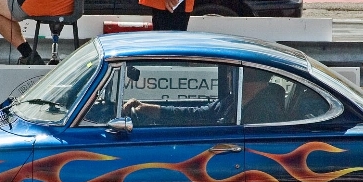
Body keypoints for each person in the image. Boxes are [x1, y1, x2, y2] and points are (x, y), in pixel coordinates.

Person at [122, 67, 285, 125]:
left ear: (246, 76)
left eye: (231, 74)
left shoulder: (265, 110)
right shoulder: (232, 101)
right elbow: (195, 114)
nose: (228, 77)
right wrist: (146, 108)